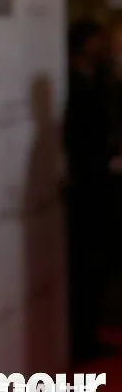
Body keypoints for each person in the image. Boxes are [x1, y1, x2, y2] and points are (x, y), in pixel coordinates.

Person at [63, 19, 116, 361]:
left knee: (93, 269)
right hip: (87, 192)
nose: (106, 45)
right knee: (83, 269)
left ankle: (87, 337)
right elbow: (77, 140)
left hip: (96, 192)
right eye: (99, 39)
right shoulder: (79, 85)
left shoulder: (95, 80)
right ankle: (81, 340)